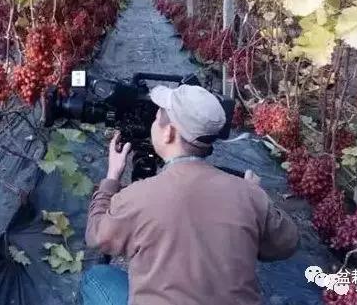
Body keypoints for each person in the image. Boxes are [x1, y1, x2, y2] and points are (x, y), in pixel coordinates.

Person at [81, 84, 299, 305]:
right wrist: (258, 196)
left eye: (156, 119)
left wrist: (111, 178)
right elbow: (287, 244)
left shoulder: (139, 196)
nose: (153, 125)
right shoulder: (249, 194)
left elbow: (97, 236)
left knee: (97, 278)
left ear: (169, 132)